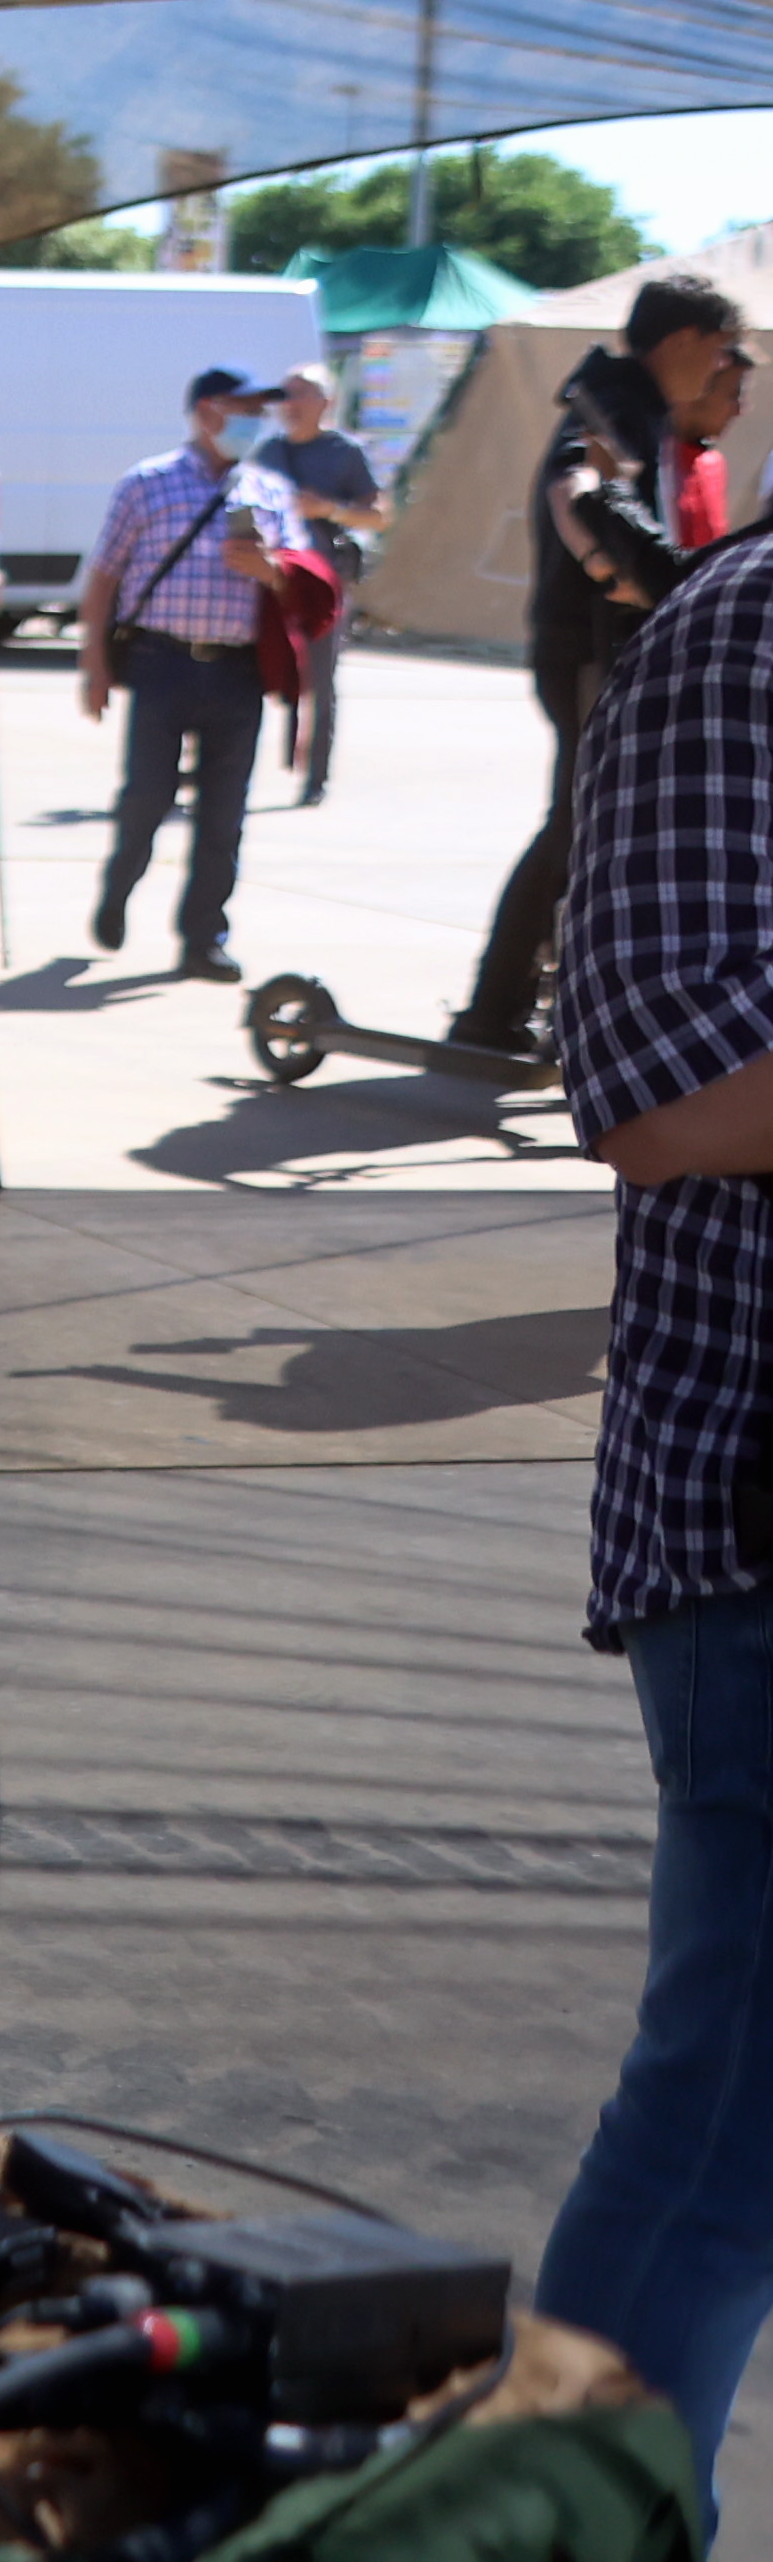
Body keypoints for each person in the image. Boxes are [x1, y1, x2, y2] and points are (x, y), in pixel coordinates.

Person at [528, 519, 773, 2502]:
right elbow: (649, 1079)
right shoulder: (744, 634)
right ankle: (546, 2530)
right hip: (760, 1540)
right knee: (717, 2157)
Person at [453, 277, 753, 1054]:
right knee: (579, 829)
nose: (720, 368)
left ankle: (514, 1003)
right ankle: (494, 1007)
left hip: (602, 648)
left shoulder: (637, 407)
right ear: (683, 340)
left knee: (585, 827)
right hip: (589, 651)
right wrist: (624, 565)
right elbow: (574, 488)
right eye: (719, 349)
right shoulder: (612, 405)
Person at [73, 366, 301, 981]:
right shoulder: (147, 483)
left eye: (258, 411)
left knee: (224, 814)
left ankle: (203, 938)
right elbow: (104, 576)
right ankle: (120, 885)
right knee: (148, 797)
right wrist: (94, 664)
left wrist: (270, 569)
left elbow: (300, 580)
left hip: (237, 670)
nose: (253, 421)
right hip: (162, 663)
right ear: (205, 412)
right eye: (241, 408)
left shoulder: (269, 490)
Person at [249, 361, 387, 806]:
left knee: (321, 683)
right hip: (272, 582)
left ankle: (316, 779)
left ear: (326, 402)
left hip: (322, 585)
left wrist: (328, 509)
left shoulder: (345, 452)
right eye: (285, 394)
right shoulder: (266, 453)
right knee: (247, 676)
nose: (290, 403)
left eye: (301, 393)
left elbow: (378, 515)